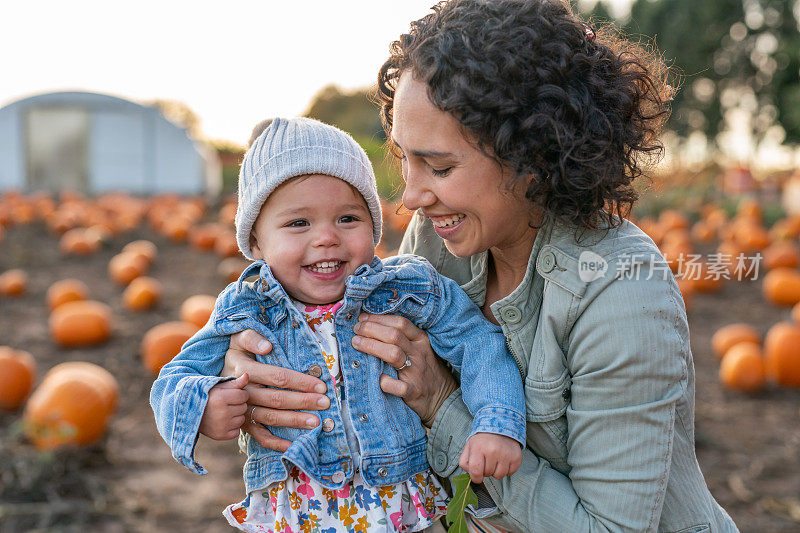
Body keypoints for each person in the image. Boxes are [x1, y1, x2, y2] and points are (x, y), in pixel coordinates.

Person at [216, 1, 741, 531]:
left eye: (440, 166)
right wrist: (245, 366)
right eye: (404, 157)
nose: (413, 196)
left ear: (533, 151)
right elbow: (354, 351)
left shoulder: (622, 294)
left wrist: (442, 405)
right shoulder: (439, 242)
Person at [150, 117, 526, 532]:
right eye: (298, 223)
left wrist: (497, 423)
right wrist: (203, 404)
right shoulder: (245, 308)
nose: (326, 237)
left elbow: (479, 344)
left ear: (373, 225)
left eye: (347, 218)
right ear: (255, 243)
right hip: (300, 513)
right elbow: (174, 377)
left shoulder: (405, 287)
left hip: (398, 506)